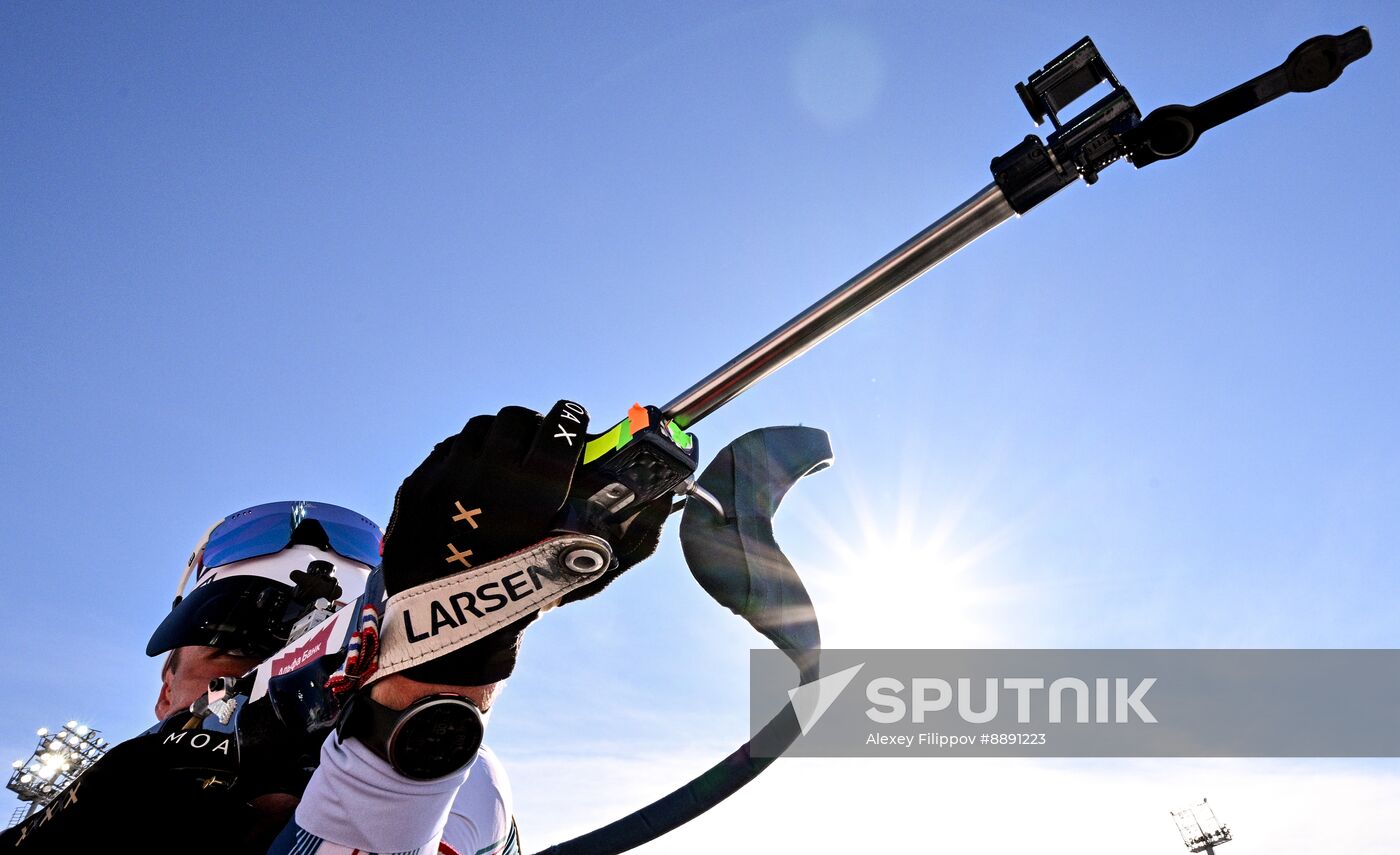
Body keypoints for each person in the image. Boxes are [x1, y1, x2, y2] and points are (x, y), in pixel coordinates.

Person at [2, 400, 662, 853]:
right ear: (165, 691)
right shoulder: (119, 793)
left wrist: (439, 670)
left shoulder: (465, 787)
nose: (267, 677)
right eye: (233, 648)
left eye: (316, 646)